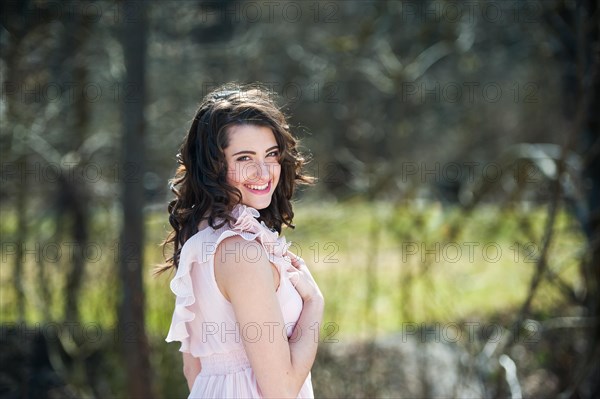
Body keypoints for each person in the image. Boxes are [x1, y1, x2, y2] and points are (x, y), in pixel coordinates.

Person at [161, 83, 324, 398]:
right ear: (213, 165)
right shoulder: (239, 253)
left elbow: (192, 369)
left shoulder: (199, 240)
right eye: (244, 157)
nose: (264, 172)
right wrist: (315, 304)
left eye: (271, 154)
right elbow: (281, 391)